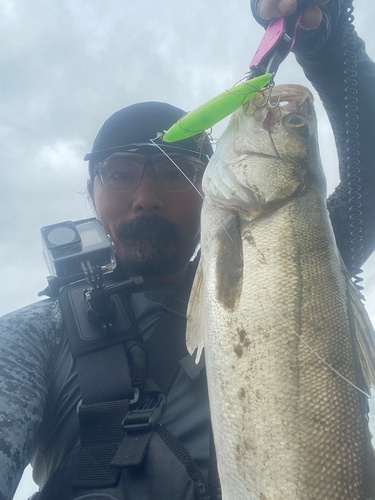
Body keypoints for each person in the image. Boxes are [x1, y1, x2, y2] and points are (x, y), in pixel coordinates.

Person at [1, 0, 375, 498]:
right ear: (91, 192)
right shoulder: (35, 335)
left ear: (206, 183)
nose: (146, 198)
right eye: (120, 173)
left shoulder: (296, 256)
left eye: (173, 170)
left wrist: (327, 44)